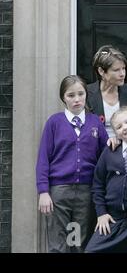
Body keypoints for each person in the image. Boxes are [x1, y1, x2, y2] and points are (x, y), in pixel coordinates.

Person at [35, 75, 108, 252]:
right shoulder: (55, 122)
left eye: (80, 94)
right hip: (59, 192)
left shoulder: (94, 123)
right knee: (57, 243)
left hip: (85, 192)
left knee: (78, 241)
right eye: (71, 95)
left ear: (86, 95)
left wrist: (114, 143)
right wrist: (43, 191)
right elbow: (43, 158)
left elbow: (105, 156)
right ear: (63, 98)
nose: (77, 99)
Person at [85, 107, 127, 253]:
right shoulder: (110, 152)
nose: (125, 127)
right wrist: (101, 213)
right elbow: (98, 185)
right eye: (119, 127)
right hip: (112, 220)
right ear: (115, 133)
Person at [87, 45, 127, 138]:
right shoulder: (87, 93)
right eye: (116, 70)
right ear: (101, 71)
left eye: (123, 68)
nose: (122, 74)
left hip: (126, 145)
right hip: (96, 148)